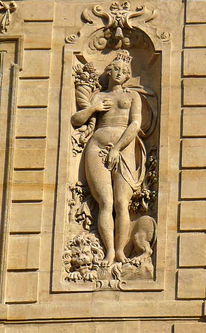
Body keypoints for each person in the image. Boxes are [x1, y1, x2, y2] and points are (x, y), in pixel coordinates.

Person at [71, 50, 143, 265]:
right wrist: (93, 108)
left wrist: (117, 148)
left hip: (124, 148)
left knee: (121, 202)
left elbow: (135, 124)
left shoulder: (132, 96)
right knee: (105, 202)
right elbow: (76, 120)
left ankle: (121, 251)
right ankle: (110, 251)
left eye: (124, 70)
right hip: (96, 147)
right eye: (116, 69)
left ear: (128, 75)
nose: (120, 73)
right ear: (109, 72)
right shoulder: (99, 96)